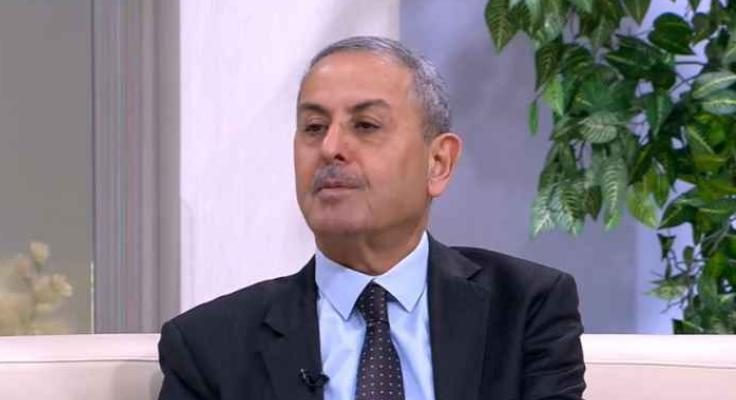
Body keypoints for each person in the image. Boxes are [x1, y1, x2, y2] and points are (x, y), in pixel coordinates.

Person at [158, 36, 586, 400]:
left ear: (438, 162)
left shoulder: (525, 308)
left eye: (365, 125)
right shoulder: (209, 345)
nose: (330, 148)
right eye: (313, 127)